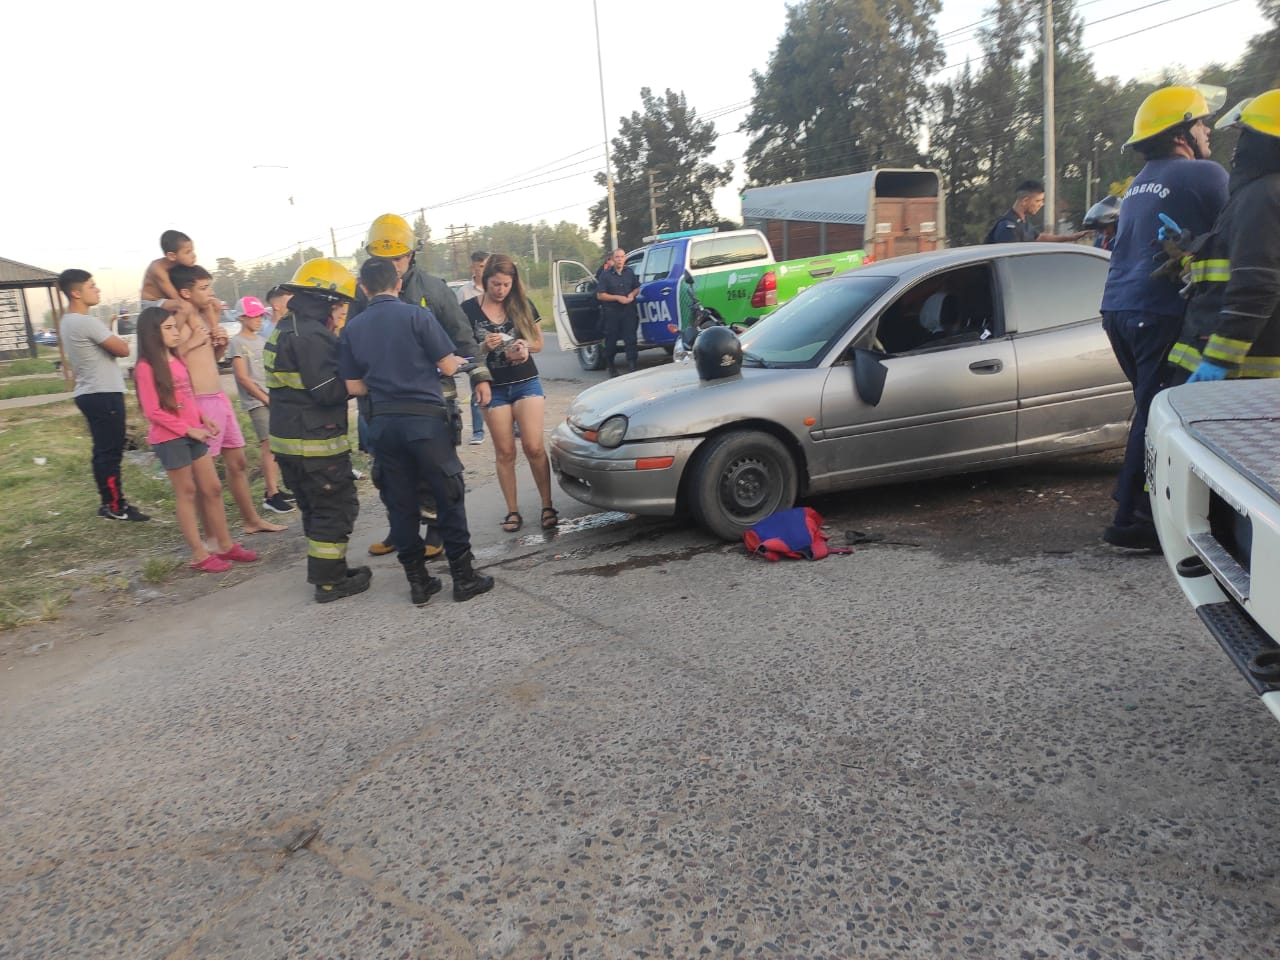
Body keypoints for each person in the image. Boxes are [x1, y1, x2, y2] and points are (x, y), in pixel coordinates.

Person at [1099, 85, 1230, 550]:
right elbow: (1239, 229)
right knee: (1160, 416)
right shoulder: (1206, 175)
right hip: (1157, 311)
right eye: (1201, 123)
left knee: (1151, 411)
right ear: (1181, 134)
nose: (1207, 131)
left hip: (1119, 309)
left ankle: (1130, 494)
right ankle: (1133, 520)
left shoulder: (1141, 181)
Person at [339, 257, 495, 605]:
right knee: (448, 497)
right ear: (397, 283)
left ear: (363, 289)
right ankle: (463, 578)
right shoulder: (417, 315)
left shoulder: (352, 329)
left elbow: (353, 385)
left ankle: (419, 584)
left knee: (401, 502)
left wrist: (383, 379)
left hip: (383, 425)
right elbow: (445, 363)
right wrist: (455, 364)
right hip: (425, 423)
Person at [351, 213, 491, 557]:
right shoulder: (362, 293)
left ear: (412, 254)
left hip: (431, 401)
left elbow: (463, 338)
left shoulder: (433, 290)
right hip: (379, 405)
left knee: (433, 474)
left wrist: (480, 376)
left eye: (397, 257)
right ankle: (402, 531)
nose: (392, 266)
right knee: (387, 474)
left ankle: (436, 533)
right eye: (384, 259)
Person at [264, 258, 371, 603]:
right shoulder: (311, 336)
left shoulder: (286, 327)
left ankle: (332, 570)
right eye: (338, 304)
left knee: (314, 507)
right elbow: (326, 390)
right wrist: (360, 383)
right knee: (335, 508)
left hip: (288, 441)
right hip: (314, 444)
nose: (341, 312)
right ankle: (329, 583)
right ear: (322, 300)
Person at [1166, 88, 1280, 387]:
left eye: (1244, 133)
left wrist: (1218, 360)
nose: (1236, 145)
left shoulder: (1263, 195)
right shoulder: (1257, 194)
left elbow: (1257, 283)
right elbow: (1233, 265)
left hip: (1242, 375)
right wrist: (1189, 254)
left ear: (1263, 142)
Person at [133, 307, 257, 573]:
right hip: (170, 438)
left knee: (212, 487)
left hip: (195, 431)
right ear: (151, 334)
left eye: (174, 327)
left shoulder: (177, 360)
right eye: (168, 328)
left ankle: (224, 544)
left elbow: (186, 397)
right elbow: (152, 411)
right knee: (187, 493)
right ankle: (199, 554)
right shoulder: (145, 368)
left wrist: (202, 417)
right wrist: (188, 429)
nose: (175, 333)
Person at [170, 265, 288, 536]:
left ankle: (251, 520)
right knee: (206, 475)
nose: (210, 293)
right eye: (204, 288)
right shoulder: (176, 319)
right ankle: (213, 536)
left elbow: (208, 361)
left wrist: (218, 344)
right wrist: (193, 341)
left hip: (219, 398)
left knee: (239, 463)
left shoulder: (202, 317)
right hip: (198, 402)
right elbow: (172, 363)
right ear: (185, 293)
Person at [461, 253, 558, 533]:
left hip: (526, 381)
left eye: (506, 284)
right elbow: (463, 352)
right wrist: (484, 348)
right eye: (495, 284)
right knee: (504, 451)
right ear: (484, 280)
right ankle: (512, 511)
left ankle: (547, 505)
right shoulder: (468, 309)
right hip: (493, 388)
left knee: (534, 446)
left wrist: (523, 347)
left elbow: (538, 342)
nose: (501, 290)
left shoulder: (521, 304)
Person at [56, 269, 150, 521]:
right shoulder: (85, 321)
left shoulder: (68, 321)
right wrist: (116, 337)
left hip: (92, 392)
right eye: (92, 285)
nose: (97, 290)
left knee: (103, 450)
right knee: (110, 451)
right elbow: (121, 348)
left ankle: (109, 503)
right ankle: (116, 506)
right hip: (103, 392)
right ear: (76, 292)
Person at [226, 296, 295, 514]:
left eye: (260, 316)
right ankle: (271, 494)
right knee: (268, 445)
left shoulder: (261, 340)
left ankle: (275, 488)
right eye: (253, 316)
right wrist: (265, 399)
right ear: (241, 317)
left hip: (271, 396)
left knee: (275, 445)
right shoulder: (237, 342)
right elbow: (243, 378)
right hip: (257, 401)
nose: (258, 320)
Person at [140, 230, 221, 332]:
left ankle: (214, 330)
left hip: (170, 299)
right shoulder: (158, 269)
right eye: (188, 252)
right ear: (171, 256)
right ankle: (196, 332)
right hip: (153, 302)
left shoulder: (183, 265)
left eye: (192, 250)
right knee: (184, 306)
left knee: (210, 301)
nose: (193, 255)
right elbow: (176, 297)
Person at [985, 180, 1090, 244]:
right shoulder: (1008, 227)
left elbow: (1040, 237)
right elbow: (1008, 261)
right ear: (1025, 200)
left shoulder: (1022, 221)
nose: (1041, 204)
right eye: (1038, 200)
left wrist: (1071, 237)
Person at [455, 250, 489, 444]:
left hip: (495, 341)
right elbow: (459, 321)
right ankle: (478, 431)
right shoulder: (464, 292)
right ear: (473, 267)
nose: (485, 270)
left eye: (487, 265)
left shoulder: (493, 287)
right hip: (474, 346)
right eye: (481, 266)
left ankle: (515, 426)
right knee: (478, 385)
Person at [595, 247, 640, 376]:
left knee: (630, 338)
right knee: (611, 340)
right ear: (613, 259)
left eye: (622, 257)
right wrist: (617, 298)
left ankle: (632, 365)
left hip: (628, 310)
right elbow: (600, 295)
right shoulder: (606, 275)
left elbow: (637, 288)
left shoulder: (629, 272)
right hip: (612, 312)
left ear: (625, 258)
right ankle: (611, 367)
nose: (620, 260)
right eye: (617, 257)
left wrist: (632, 294)